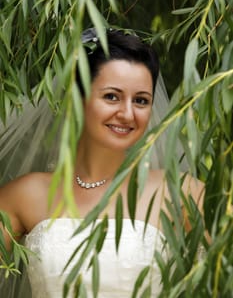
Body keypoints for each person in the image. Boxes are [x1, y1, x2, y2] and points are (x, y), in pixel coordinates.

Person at [0, 29, 204, 297]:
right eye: (111, 96)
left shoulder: (178, 191)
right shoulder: (26, 195)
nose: (127, 113)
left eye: (141, 100)